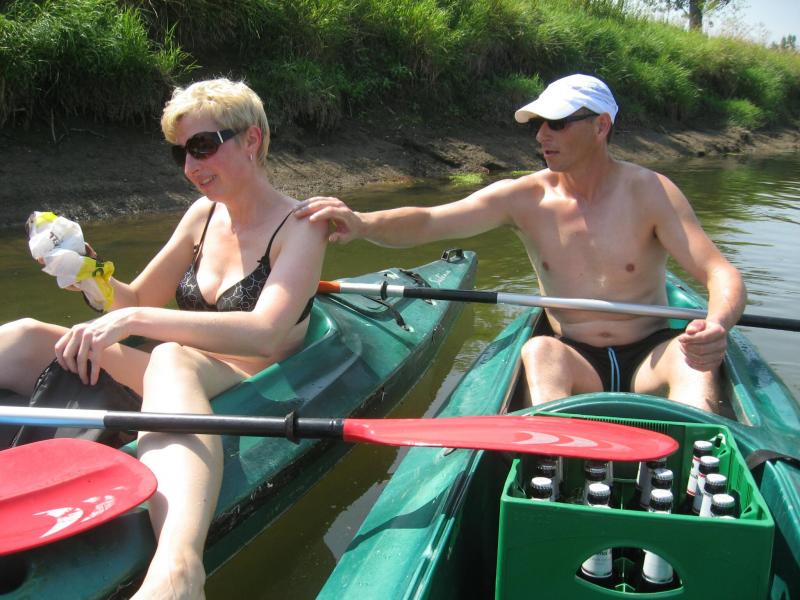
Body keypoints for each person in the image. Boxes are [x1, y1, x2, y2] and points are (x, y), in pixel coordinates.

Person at [0, 78, 328, 598]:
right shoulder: (202, 215)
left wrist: (135, 322)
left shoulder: (303, 226)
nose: (191, 165)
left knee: (171, 356)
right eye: (181, 153)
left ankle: (179, 569)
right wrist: (88, 274)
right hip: (173, 376)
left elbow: (267, 333)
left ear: (252, 139)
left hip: (250, 380)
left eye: (203, 145)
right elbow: (136, 300)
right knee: (21, 337)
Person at [296, 73, 745, 414]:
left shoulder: (652, 192)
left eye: (557, 124)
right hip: (575, 357)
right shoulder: (525, 197)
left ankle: (696, 471)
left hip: (652, 354)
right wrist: (363, 223)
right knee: (539, 350)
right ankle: (555, 469)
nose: (541, 136)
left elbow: (719, 272)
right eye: (539, 124)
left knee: (695, 361)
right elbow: (431, 220)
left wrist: (717, 325)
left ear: (601, 126)